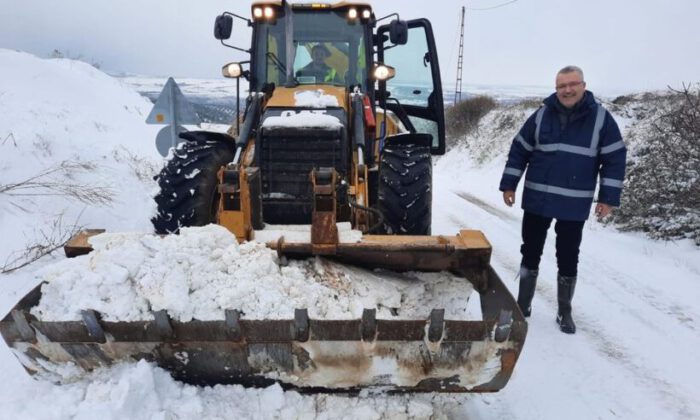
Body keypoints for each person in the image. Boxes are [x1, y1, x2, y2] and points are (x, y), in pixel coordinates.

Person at [499, 65, 626, 334]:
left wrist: (608, 198)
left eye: (572, 84)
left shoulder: (602, 120)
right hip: (538, 200)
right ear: (556, 88)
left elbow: (614, 160)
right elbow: (519, 149)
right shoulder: (542, 115)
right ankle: (523, 304)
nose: (567, 90)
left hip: (573, 204)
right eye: (561, 86)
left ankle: (564, 311)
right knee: (530, 251)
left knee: (568, 257)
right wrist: (509, 184)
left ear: (583, 85)